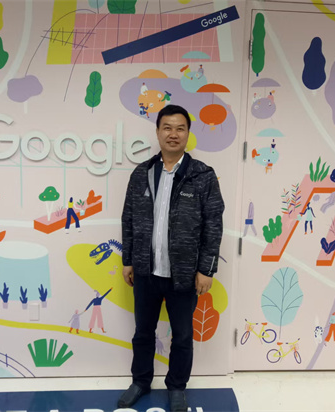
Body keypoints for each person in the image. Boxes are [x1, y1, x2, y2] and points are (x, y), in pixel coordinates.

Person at [118, 105, 224, 412]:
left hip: (184, 274)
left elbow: (213, 225)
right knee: (143, 332)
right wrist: (128, 260)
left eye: (180, 128)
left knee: (182, 336)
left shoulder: (202, 176)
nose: (173, 134)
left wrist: (206, 269)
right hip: (145, 271)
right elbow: (128, 218)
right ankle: (140, 382)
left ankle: (177, 386)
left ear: (188, 134)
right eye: (167, 128)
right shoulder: (141, 174)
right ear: (158, 132)